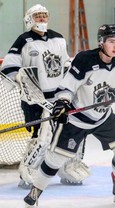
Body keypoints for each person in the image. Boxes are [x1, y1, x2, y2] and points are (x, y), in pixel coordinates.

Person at [23, 24, 115, 207]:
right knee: (56, 158)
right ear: (101, 42)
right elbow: (67, 88)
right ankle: (36, 190)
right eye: (111, 42)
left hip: (103, 117)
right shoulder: (85, 60)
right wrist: (62, 103)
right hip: (78, 120)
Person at [0, 4, 89, 188]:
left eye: (44, 16)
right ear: (30, 19)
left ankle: (67, 167)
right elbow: (9, 67)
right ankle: (29, 171)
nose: (41, 19)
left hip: (59, 98)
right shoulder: (23, 41)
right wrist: (19, 78)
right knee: (42, 136)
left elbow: (65, 63)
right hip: (36, 99)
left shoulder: (58, 38)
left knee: (73, 131)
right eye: (38, 16)